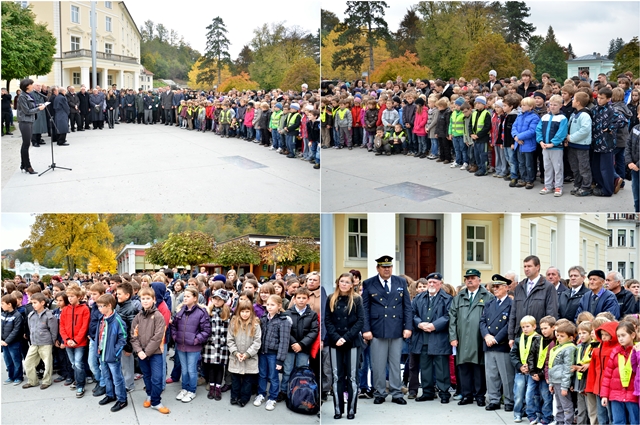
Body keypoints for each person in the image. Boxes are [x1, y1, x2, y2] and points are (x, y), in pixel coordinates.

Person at [361, 255, 412, 405]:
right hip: (377, 329)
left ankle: (397, 393)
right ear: (378, 268)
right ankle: (379, 392)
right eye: (383, 267)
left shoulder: (400, 282)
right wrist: (366, 329)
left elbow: (407, 306)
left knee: (396, 363)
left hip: (396, 328)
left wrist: (408, 327)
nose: (386, 269)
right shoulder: (369, 283)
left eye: (389, 267)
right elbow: (365, 308)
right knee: (378, 363)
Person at [449, 269, 494, 406]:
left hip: (479, 338)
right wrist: (453, 337)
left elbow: (490, 318)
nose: (469, 280)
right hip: (462, 338)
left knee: (478, 367)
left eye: (473, 278)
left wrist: (487, 335)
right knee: (463, 367)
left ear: (479, 280)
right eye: (467, 278)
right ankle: (467, 395)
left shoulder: (488, 296)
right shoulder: (459, 297)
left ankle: (479, 396)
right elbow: (452, 318)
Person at [325, 272, 364, 420]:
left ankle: (351, 410)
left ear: (352, 284)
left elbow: (360, 321)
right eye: (342, 281)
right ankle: (338, 409)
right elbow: (327, 320)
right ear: (338, 283)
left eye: (347, 282)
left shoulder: (357, 299)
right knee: (337, 376)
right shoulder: (331, 298)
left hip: (352, 342)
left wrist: (346, 338)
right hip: (335, 342)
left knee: (352, 377)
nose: (344, 284)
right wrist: (336, 337)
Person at [410, 272, 452, 403]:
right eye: (430, 282)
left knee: (442, 368)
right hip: (423, 338)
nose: (432, 284)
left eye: (435, 282)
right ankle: (427, 392)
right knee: (425, 366)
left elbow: (449, 315)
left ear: (440, 284)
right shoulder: (419, 298)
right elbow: (412, 313)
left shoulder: (447, 298)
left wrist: (434, 325)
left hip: (439, 337)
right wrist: (419, 323)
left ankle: (444, 393)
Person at [131, 287, 170, 414]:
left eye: (148, 298)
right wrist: (139, 351)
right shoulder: (138, 317)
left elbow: (158, 337)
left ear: (154, 299)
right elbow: (133, 336)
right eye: (143, 299)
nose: (145, 301)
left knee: (157, 378)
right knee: (147, 376)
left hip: (155, 353)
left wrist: (146, 352)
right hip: (141, 353)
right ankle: (149, 395)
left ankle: (156, 401)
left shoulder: (158, 316)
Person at [479, 274, 515, 412]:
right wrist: (487, 336)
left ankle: (509, 400)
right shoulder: (489, 303)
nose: (495, 289)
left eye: (498, 286)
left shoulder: (511, 303)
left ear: (506, 287)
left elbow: (510, 324)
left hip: (501, 344)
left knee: (506, 375)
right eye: (493, 286)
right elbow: (482, 321)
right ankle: (493, 399)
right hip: (488, 343)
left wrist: (496, 338)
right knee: (491, 374)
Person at [171, 287, 211, 403]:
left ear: (195, 298)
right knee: (184, 369)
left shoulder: (201, 312)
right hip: (181, 345)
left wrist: (196, 340)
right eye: (184, 296)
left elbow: (206, 330)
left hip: (193, 347)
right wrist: (175, 337)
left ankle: (191, 390)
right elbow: (174, 326)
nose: (185, 298)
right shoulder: (180, 311)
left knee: (191, 369)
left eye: (188, 296)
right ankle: (184, 388)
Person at [508, 255, 558, 347]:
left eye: (529, 266)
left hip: (539, 336)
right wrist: (511, 336)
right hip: (520, 336)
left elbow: (551, 313)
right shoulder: (520, 287)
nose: (526, 269)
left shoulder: (547, 287)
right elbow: (513, 313)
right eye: (525, 266)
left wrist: (548, 335)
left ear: (538, 267)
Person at [253, 294, 292, 411]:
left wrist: (280, 359)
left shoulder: (283, 320)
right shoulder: (264, 318)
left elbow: (284, 342)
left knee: (273, 376)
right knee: (262, 374)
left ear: (279, 306)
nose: (269, 307)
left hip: (274, 354)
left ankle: (273, 398)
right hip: (263, 352)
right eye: (268, 305)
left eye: (272, 305)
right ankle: (261, 394)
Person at [280, 287, 318, 401]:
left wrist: (301, 344)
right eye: (299, 298)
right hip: (290, 347)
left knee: (301, 371)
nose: (301, 300)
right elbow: (286, 330)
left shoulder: (312, 314)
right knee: (287, 370)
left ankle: (297, 392)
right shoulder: (287, 313)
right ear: (294, 299)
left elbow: (314, 331)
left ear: (308, 300)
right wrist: (294, 343)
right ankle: (284, 391)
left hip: (303, 348)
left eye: (304, 298)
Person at [93, 293, 128, 412]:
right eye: (98, 306)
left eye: (101, 306)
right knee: (106, 376)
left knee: (117, 378)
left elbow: (123, 338)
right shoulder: (101, 318)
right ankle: (110, 394)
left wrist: (115, 353)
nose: (99, 309)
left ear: (109, 306)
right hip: (102, 353)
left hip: (112, 356)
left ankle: (122, 399)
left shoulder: (117, 320)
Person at [592, 87, 628, 196]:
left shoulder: (612, 110)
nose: (599, 100)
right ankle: (600, 185)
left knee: (606, 168)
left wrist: (611, 128)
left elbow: (623, 121)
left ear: (608, 99)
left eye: (602, 98)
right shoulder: (594, 109)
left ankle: (607, 190)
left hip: (607, 143)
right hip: (595, 142)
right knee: (596, 167)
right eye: (598, 97)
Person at [600, 322, 638, 424]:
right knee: (617, 421)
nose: (620, 339)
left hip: (632, 395)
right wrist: (604, 395)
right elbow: (607, 376)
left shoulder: (637, 351)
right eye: (618, 336)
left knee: (635, 421)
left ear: (633, 335)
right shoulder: (615, 352)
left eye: (623, 335)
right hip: (615, 395)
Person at [227, 298, 261, 407]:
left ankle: (244, 398)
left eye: (247, 311)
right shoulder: (233, 323)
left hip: (250, 357)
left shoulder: (255, 325)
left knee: (247, 381)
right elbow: (230, 340)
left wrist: (247, 354)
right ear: (238, 312)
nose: (245, 314)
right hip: (236, 357)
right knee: (235, 379)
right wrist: (236, 352)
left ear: (251, 311)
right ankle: (234, 396)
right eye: (242, 311)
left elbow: (257, 342)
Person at [59, 285, 90, 397]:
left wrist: (76, 340)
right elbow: (61, 326)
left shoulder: (84, 309)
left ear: (78, 297)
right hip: (68, 342)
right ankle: (78, 379)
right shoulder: (65, 309)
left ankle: (80, 385)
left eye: (72, 296)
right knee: (73, 363)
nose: (70, 298)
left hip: (79, 343)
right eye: (69, 296)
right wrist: (67, 339)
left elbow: (84, 326)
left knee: (78, 363)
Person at [509, 315, 541, 423]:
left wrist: (531, 367)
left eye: (527, 326)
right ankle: (517, 413)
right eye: (523, 327)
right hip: (520, 372)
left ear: (534, 326)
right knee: (518, 394)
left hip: (532, 372)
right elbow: (513, 355)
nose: (525, 329)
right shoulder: (518, 340)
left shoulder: (539, 339)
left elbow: (540, 356)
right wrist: (519, 366)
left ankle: (534, 414)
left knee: (532, 394)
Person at [23, 293, 57, 390]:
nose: (33, 305)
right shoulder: (31, 315)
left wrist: (53, 341)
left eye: (35, 303)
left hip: (46, 343)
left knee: (47, 363)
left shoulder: (49, 315)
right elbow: (30, 328)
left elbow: (53, 330)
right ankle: (33, 381)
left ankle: (46, 381)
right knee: (28, 362)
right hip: (34, 343)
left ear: (42, 303)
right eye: (32, 303)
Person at [536, 95, 568, 196]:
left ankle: (558, 187)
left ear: (560, 106)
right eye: (551, 104)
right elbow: (538, 129)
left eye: (555, 105)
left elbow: (561, 133)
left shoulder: (562, 118)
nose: (552, 107)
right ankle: (548, 185)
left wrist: (553, 143)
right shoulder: (545, 116)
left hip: (556, 148)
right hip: (544, 146)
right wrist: (540, 141)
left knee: (557, 167)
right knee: (547, 167)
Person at [202, 289, 231, 401]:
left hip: (222, 345)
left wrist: (225, 341)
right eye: (215, 298)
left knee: (219, 366)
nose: (217, 301)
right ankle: (212, 386)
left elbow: (230, 330)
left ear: (224, 301)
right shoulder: (208, 311)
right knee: (211, 366)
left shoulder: (227, 313)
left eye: (220, 299)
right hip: (210, 344)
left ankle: (218, 387)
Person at [548, 321, 577, 425]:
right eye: (558, 335)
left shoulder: (569, 348)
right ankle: (560, 421)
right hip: (556, 380)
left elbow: (567, 368)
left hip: (562, 382)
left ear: (570, 338)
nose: (559, 338)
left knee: (566, 405)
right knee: (559, 404)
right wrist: (551, 383)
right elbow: (552, 366)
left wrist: (565, 386)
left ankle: (567, 422)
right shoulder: (558, 347)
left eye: (562, 336)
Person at [16, 78, 46, 174]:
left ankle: (23, 164)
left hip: (29, 121)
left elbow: (30, 106)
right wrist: (39, 109)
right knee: (26, 144)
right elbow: (27, 111)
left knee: (25, 144)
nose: (33, 86)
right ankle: (28, 166)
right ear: (27, 86)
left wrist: (38, 105)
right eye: (31, 84)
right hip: (25, 122)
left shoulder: (28, 95)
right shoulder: (22, 96)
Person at [1, 294, 24, 385]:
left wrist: (7, 341)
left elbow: (16, 330)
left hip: (13, 343)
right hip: (4, 343)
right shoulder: (2, 314)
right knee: (8, 360)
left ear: (9, 304)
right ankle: (11, 376)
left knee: (16, 360)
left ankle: (18, 377)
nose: (1, 305)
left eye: (2, 303)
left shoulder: (17, 316)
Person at [626, 104, 640, 212]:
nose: (638, 116)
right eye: (638, 113)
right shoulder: (635, 129)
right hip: (633, 167)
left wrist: (637, 165)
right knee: (636, 194)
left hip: (637, 166)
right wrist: (629, 161)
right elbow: (628, 145)